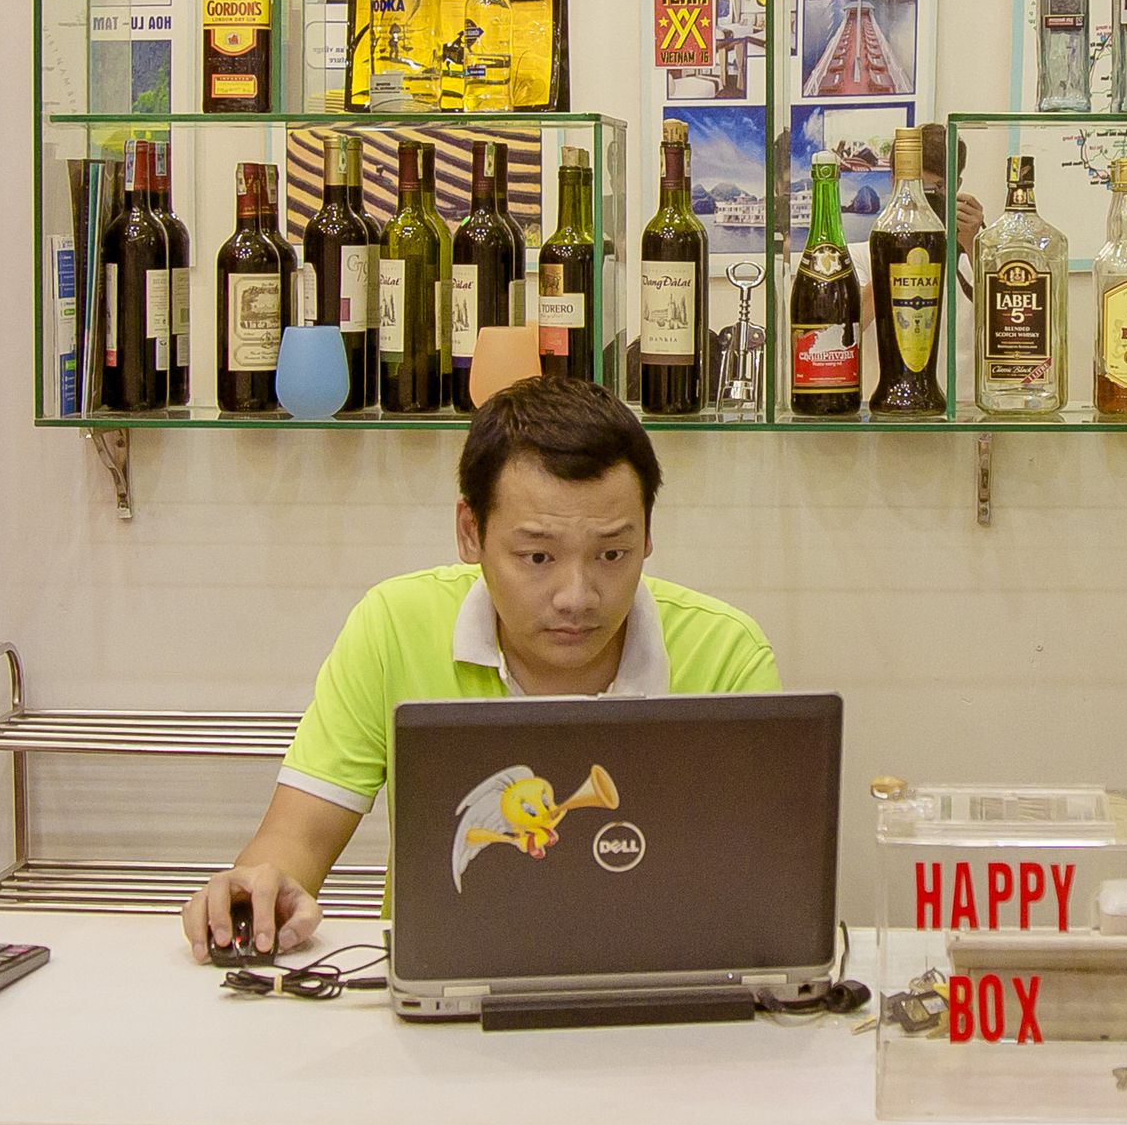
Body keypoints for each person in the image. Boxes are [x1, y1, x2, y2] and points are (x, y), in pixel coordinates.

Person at [179, 378, 782, 960]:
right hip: (444, 987)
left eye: (612, 554)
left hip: (666, 992)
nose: (577, 596)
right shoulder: (395, 625)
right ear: (471, 532)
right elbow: (297, 838)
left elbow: (767, 884)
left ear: (649, 537)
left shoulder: (725, 653)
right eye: (538, 556)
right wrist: (263, 886)